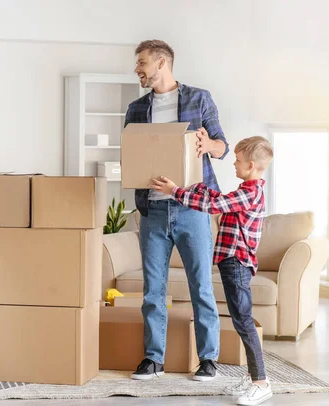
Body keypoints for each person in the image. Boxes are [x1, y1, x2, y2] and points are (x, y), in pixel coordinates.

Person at [126, 39, 229, 381]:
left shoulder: (199, 99)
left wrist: (207, 144)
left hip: (192, 208)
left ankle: (208, 359)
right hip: (153, 211)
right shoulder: (137, 109)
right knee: (153, 289)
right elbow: (131, 155)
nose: (137, 69)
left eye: (142, 63)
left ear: (162, 62)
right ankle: (153, 359)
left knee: (201, 286)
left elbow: (221, 146)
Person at [151, 136, 274, 405]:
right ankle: (256, 377)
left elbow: (214, 207)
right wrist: (197, 188)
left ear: (251, 165)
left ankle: (261, 382)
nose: (234, 163)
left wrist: (175, 191)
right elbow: (219, 198)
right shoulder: (247, 190)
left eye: (238, 160)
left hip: (237, 264)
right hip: (232, 264)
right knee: (241, 320)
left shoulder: (250, 193)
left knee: (243, 322)